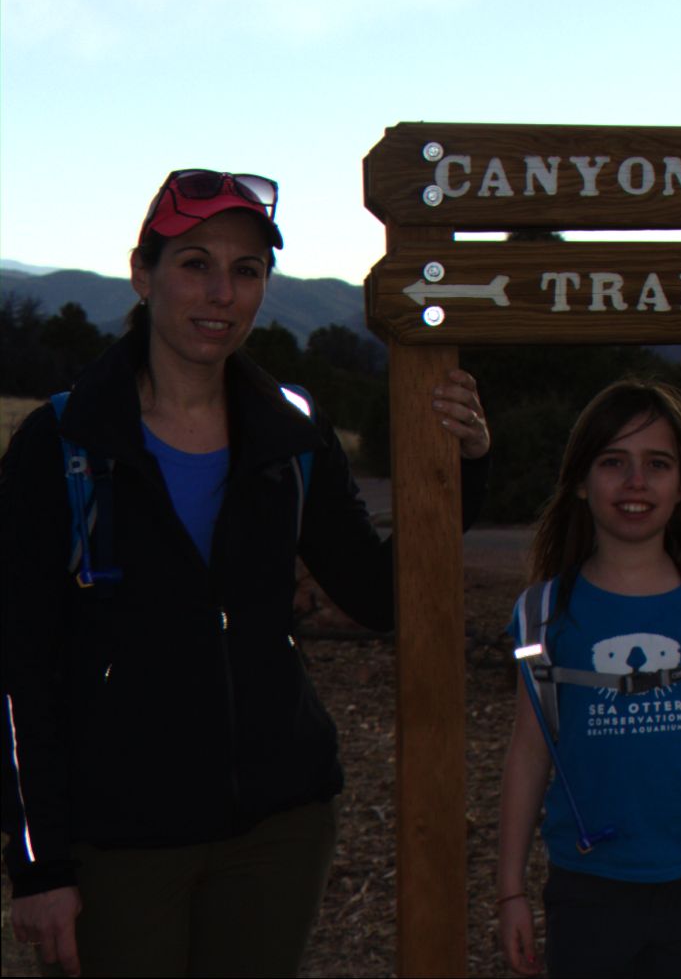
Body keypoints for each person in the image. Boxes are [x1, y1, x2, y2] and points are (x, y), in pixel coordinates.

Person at [0, 168, 493, 977]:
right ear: (142, 272)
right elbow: (17, 666)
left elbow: (378, 594)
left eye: (247, 270)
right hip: (118, 840)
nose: (220, 292)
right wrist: (40, 864)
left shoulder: (291, 433)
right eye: (194, 262)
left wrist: (462, 470)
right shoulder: (62, 443)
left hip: (278, 829)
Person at [495, 379, 681, 979]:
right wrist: (510, 889)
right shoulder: (543, 613)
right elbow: (527, 752)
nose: (635, 482)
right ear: (579, 482)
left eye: (658, 464)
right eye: (613, 462)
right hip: (589, 889)